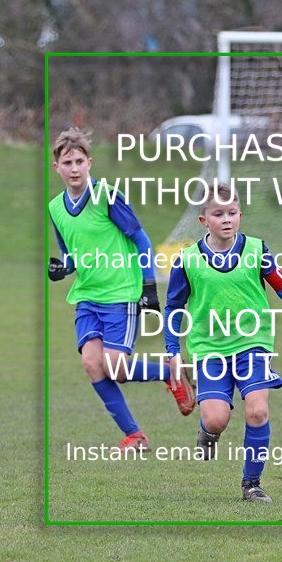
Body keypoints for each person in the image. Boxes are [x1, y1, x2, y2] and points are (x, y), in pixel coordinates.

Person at [165, 182, 282, 503]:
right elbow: (173, 307)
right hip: (208, 348)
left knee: (257, 411)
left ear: (240, 214)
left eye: (233, 213)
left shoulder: (257, 250)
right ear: (203, 220)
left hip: (253, 344)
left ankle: (251, 484)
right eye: (218, 214)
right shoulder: (187, 260)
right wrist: (172, 352)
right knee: (216, 418)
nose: (227, 219)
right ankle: (209, 432)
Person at [47, 127, 195, 453]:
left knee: (115, 368)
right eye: (67, 162)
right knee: (91, 363)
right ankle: (135, 435)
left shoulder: (107, 196)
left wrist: (149, 286)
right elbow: (72, 251)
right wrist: (64, 267)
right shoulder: (55, 208)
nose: (74, 168)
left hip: (121, 293)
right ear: (56, 167)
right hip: (87, 295)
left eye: (79, 161)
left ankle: (171, 371)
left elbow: (140, 239)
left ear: (90, 163)